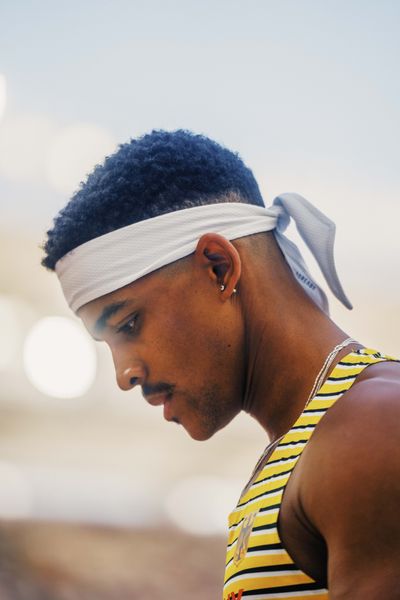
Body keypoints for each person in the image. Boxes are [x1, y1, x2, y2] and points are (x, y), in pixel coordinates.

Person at [42, 130, 400, 599]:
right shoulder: (310, 444)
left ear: (218, 267)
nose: (123, 374)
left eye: (128, 325)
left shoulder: (372, 430)